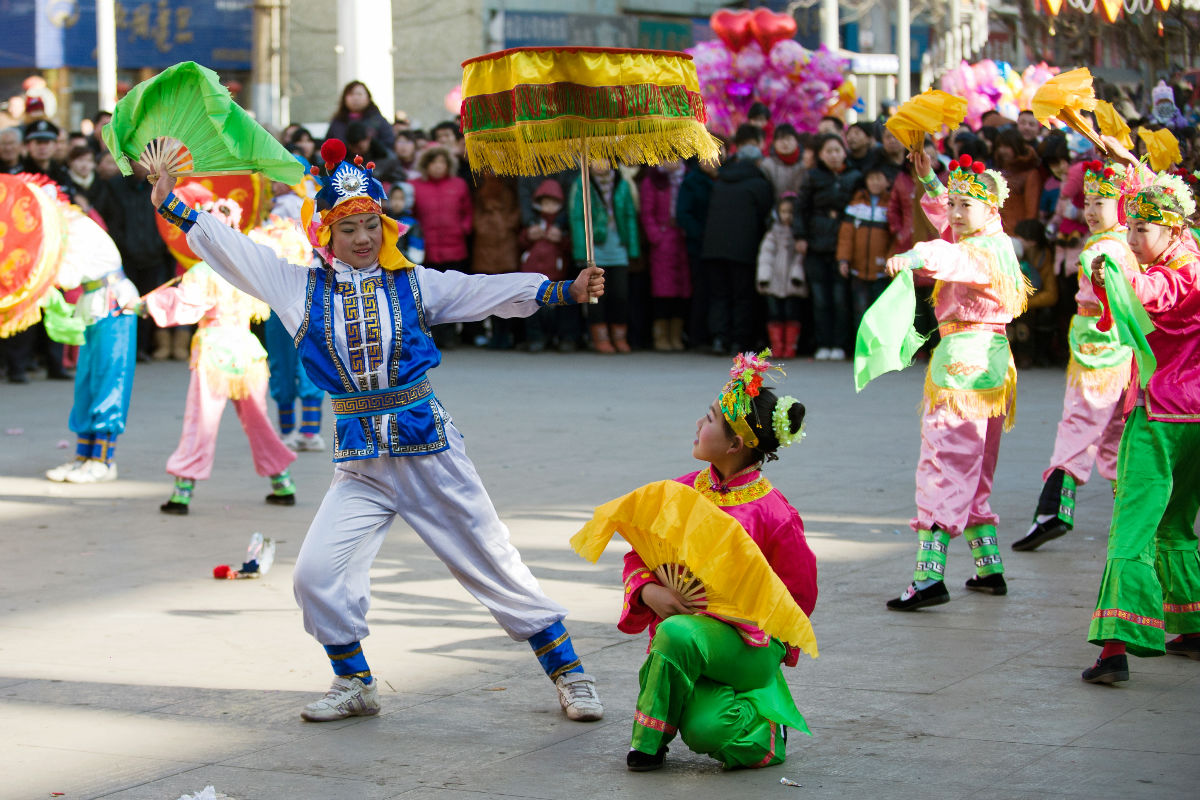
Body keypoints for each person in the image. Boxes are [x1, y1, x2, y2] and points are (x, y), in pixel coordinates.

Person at [149, 138, 608, 722]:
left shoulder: (413, 283)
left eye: (372, 225)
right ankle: (355, 680)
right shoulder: (298, 289)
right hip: (361, 465)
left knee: (492, 563)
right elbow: (234, 250)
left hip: (429, 452)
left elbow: (481, 290)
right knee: (315, 576)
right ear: (327, 235)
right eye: (350, 230)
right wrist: (172, 203)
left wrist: (562, 288)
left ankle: (570, 673)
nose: (364, 238)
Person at [615, 351, 816, 771]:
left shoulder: (775, 514)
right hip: (689, 640)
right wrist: (649, 589)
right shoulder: (679, 492)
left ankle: (648, 745)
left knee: (677, 635)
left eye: (708, 419)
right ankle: (759, 723)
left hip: (749, 646)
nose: (697, 424)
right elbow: (639, 553)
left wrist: (771, 645)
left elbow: (799, 594)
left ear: (734, 444)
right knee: (709, 731)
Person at [881, 151, 1032, 610]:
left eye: (968, 204)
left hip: (963, 370)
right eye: (955, 203)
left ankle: (929, 577)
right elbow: (950, 229)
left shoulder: (981, 250)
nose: (957, 211)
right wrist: (927, 177)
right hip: (988, 366)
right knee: (976, 468)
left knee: (943, 464)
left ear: (992, 209)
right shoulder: (994, 241)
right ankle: (988, 567)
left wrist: (911, 255)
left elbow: (949, 255)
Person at [1081, 156, 1200, 684]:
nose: (1130, 236)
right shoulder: (1188, 257)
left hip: (1159, 416)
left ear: (1172, 228)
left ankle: (1114, 648)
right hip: (1194, 419)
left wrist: (1116, 272)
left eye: (1141, 228)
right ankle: (1192, 624)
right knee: (1175, 522)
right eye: (1128, 225)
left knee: (1132, 527)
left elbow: (1153, 294)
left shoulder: (1176, 274)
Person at [143, 196, 298, 514]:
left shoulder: (203, 273)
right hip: (247, 352)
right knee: (258, 420)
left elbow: (186, 306)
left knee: (200, 422)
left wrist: (147, 305)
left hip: (214, 352)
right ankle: (283, 483)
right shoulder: (250, 271)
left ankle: (182, 492)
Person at [1014, 161, 1139, 551]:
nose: (1090, 210)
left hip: (1098, 342)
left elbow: (1097, 265)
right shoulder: (1126, 241)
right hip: (1120, 343)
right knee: (1116, 435)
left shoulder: (1106, 246)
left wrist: (1100, 272)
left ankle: (1053, 509)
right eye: (1088, 201)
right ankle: (1133, 516)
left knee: (1079, 423)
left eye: (1101, 201)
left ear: (1121, 204)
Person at [43, 207, 139, 483]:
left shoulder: (77, 228)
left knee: (110, 379)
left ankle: (104, 460)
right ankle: (83, 456)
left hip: (113, 303)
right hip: (92, 303)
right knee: (86, 382)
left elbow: (68, 276)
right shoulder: (66, 228)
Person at [701, 127, 774, 355]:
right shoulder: (759, 183)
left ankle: (719, 339)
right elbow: (765, 215)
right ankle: (739, 341)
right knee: (742, 296)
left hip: (713, 247)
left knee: (719, 295)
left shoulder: (722, 180)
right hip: (743, 249)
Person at [794, 133, 861, 360]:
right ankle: (823, 343)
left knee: (841, 298)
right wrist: (800, 236)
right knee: (820, 298)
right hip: (816, 242)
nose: (833, 155)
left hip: (843, 244)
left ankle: (839, 344)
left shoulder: (854, 176)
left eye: (837, 150)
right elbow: (800, 208)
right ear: (820, 155)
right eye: (828, 151)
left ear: (844, 152)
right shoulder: (812, 177)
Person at [570, 158, 639, 353]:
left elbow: (629, 216)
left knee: (620, 294)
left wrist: (633, 248)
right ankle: (600, 337)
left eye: (605, 158)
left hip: (618, 247)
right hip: (594, 248)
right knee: (596, 295)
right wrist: (581, 251)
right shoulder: (582, 184)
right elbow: (577, 218)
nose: (601, 163)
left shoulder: (622, 183)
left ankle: (619, 335)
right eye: (596, 159)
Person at [837, 165, 894, 335]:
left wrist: (892, 259)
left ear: (887, 181)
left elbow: (895, 238)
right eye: (871, 178)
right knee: (860, 309)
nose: (875, 182)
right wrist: (843, 259)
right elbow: (846, 236)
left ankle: (879, 347)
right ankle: (860, 346)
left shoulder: (892, 204)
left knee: (881, 310)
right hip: (858, 268)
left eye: (879, 178)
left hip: (882, 270)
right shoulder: (856, 204)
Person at [640, 161, 690, 351]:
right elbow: (647, 213)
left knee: (682, 289)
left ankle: (676, 335)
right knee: (662, 289)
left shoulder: (687, 177)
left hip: (682, 238)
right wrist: (656, 237)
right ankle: (661, 335)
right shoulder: (653, 179)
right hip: (663, 239)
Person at [519, 179, 574, 352]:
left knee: (556, 310)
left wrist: (561, 239)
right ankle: (536, 339)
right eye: (545, 203)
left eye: (553, 203)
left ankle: (558, 338)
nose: (549, 206)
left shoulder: (563, 224)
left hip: (555, 273)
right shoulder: (532, 222)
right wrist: (529, 236)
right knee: (533, 309)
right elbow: (520, 242)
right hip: (533, 272)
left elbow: (569, 247)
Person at [757, 194, 806, 358]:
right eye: (783, 212)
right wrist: (764, 277)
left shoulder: (799, 234)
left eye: (791, 212)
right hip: (774, 281)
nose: (787, 216)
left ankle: (790, 346)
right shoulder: (772, 233)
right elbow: (766, 256)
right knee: (775, 314)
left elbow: (800, 258)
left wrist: (797, 275)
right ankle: (777, 346)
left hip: (793, 282)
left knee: (792, 314)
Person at [994, 128, 1044, 235]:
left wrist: (1025, 234)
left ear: (1016, 147)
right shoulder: (1000, 171)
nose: (1002, 150)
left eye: (1006, 146)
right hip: (998, 232)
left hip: (1017, 234)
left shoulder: (1030, 174)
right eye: (1000, 146)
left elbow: (1032, 211)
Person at [326, 81, 394, 152]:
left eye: (359, 94)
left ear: (368, 98)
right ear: (344, 99)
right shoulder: (337, 122)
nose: (355, 98)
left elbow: (389, 145)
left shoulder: (379, 120)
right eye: (351, 94)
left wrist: (371, 147)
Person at [758, 123, 805, 200]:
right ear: (774, 143)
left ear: (796, 141)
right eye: (780, 139)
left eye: (788, 139)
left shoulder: (805, 163)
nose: (785, 143)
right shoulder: (767, 165)